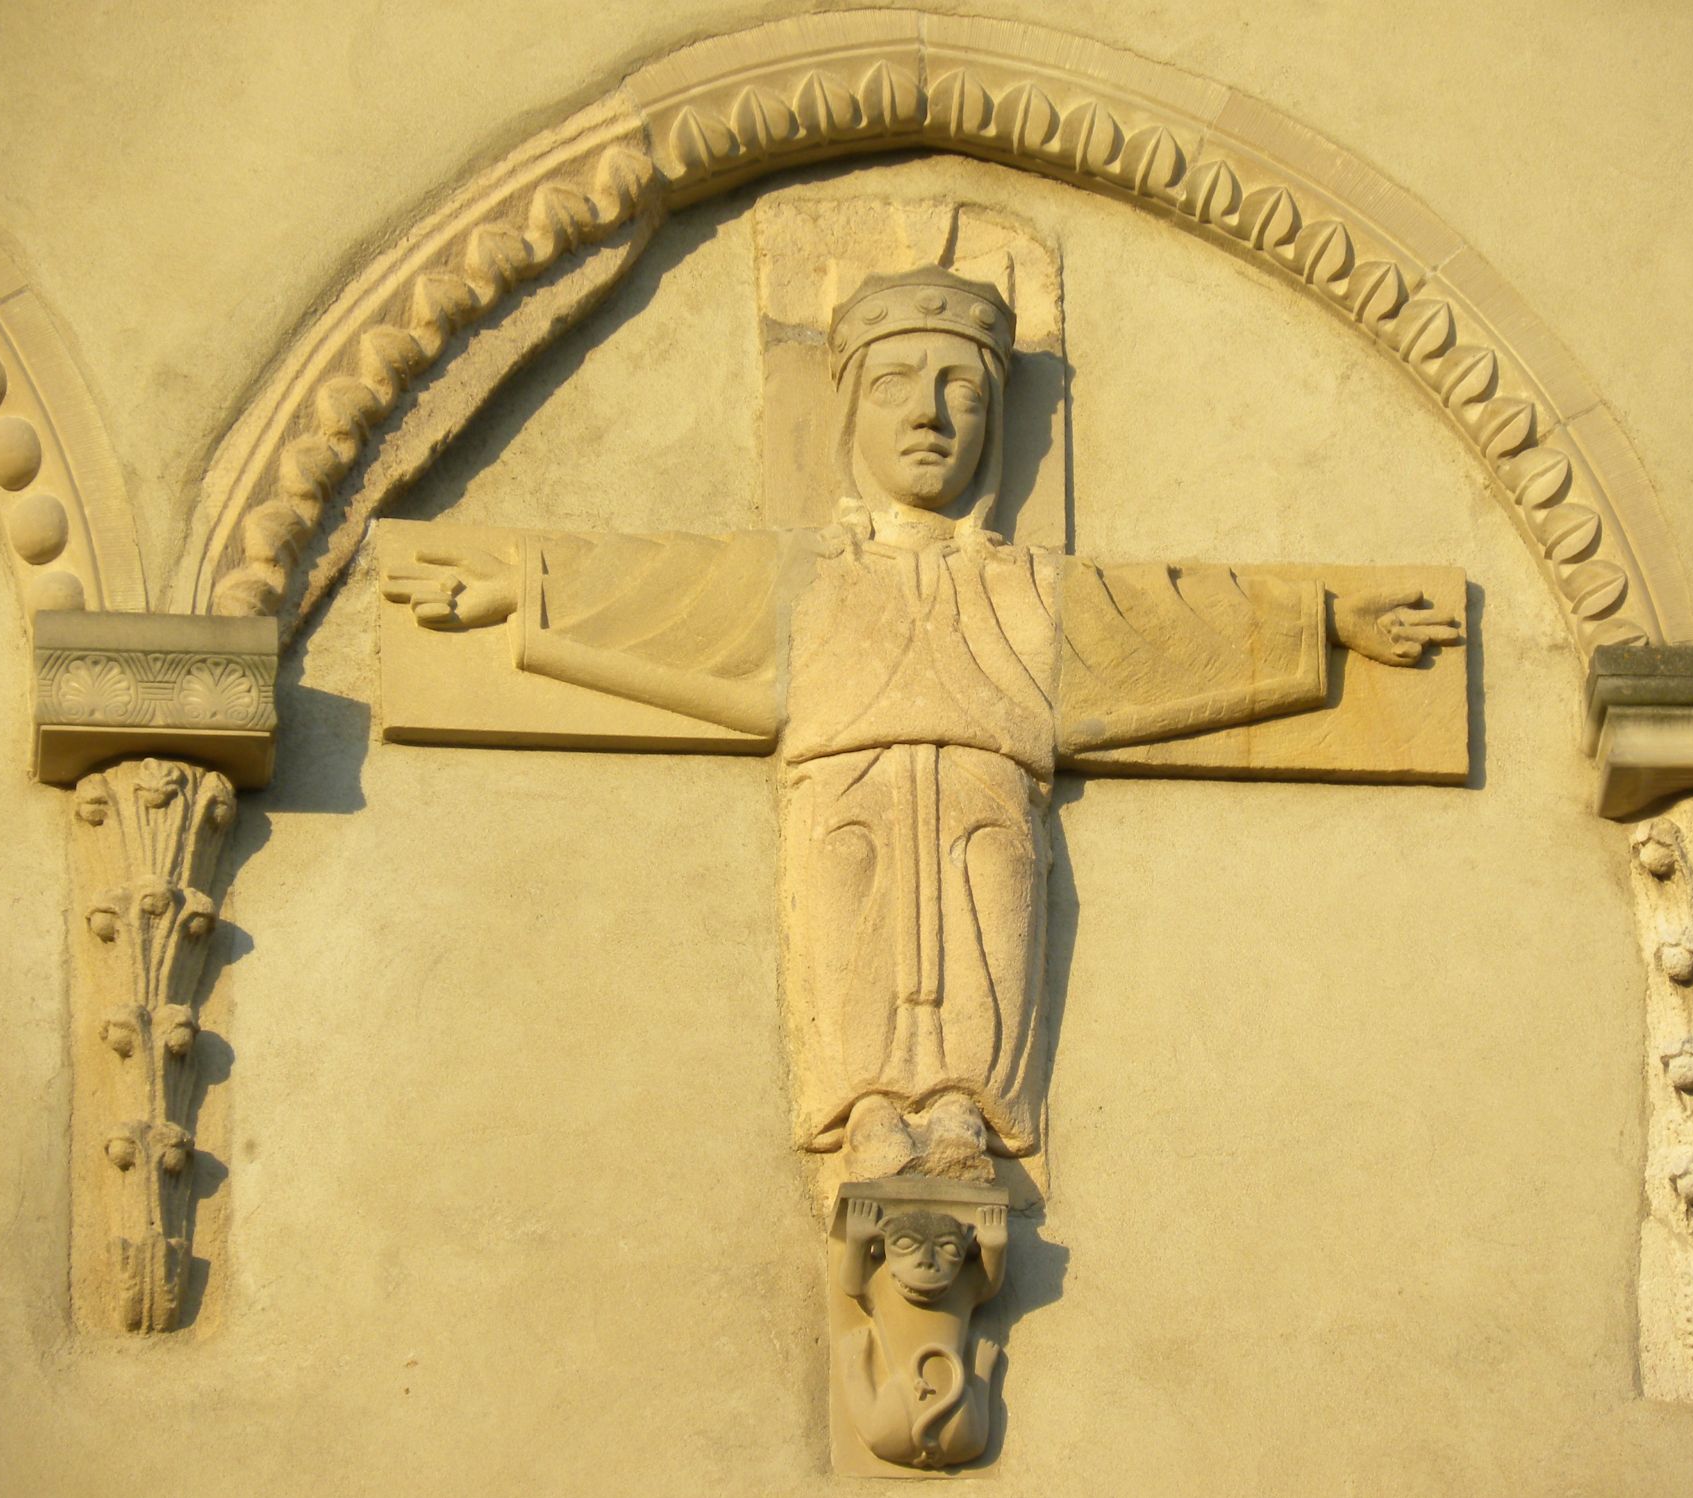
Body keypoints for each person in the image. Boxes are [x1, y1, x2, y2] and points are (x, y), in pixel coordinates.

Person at [385, 265, 1457, 1182]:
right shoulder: (809, 581)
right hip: (845, 805)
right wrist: (517, 594)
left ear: (992, 420)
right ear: (850, 410)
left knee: (990, 903)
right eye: (895, 383)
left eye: (960, 390)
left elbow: (1174, 627)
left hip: (987, 804)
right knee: (851, 918)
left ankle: (960, 1111)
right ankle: (866, 1114)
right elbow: (667, 602)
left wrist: (1324, 623)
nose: (927, 415)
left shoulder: (1029, 589)